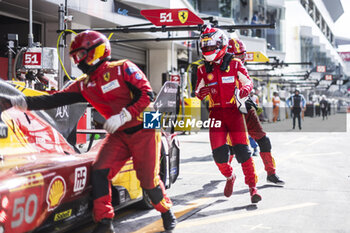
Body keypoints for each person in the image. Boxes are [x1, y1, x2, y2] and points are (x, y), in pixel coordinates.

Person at [0, 31, 176, 233]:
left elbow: (147, 94)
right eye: (75, 56)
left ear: (97, 50)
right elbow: (53, 100)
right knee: (100, 171)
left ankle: (166, 211)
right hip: (118, 134)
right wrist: (17, 102)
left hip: (145, 128)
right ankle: (104, 222)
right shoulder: (84, 84)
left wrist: (125, 115)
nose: (78, 60)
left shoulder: (123, 68)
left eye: (80, 54)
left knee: (148, 182)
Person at [195, 26, 262, 203]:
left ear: (221, 44)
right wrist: (203, 92)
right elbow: (198, 90)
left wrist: (243, 92)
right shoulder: (202, 69)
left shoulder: (235, 64)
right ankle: (230, 176)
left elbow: (248, 83)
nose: (207, 48)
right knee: (218, 155)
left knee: (244, 152)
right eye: (204, 45)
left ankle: (252, 188)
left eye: (210, 44)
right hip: (215, 114)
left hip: (234, 113)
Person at [227, 38, 284, 185]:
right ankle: (227, 173)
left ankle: (271, 173)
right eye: (237, 56)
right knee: (230, 149)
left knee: (264, 141)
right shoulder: (219, 71)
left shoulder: (241, 68)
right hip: (230, 112)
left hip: (246, 108)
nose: (241, 59)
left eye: (242, 55)